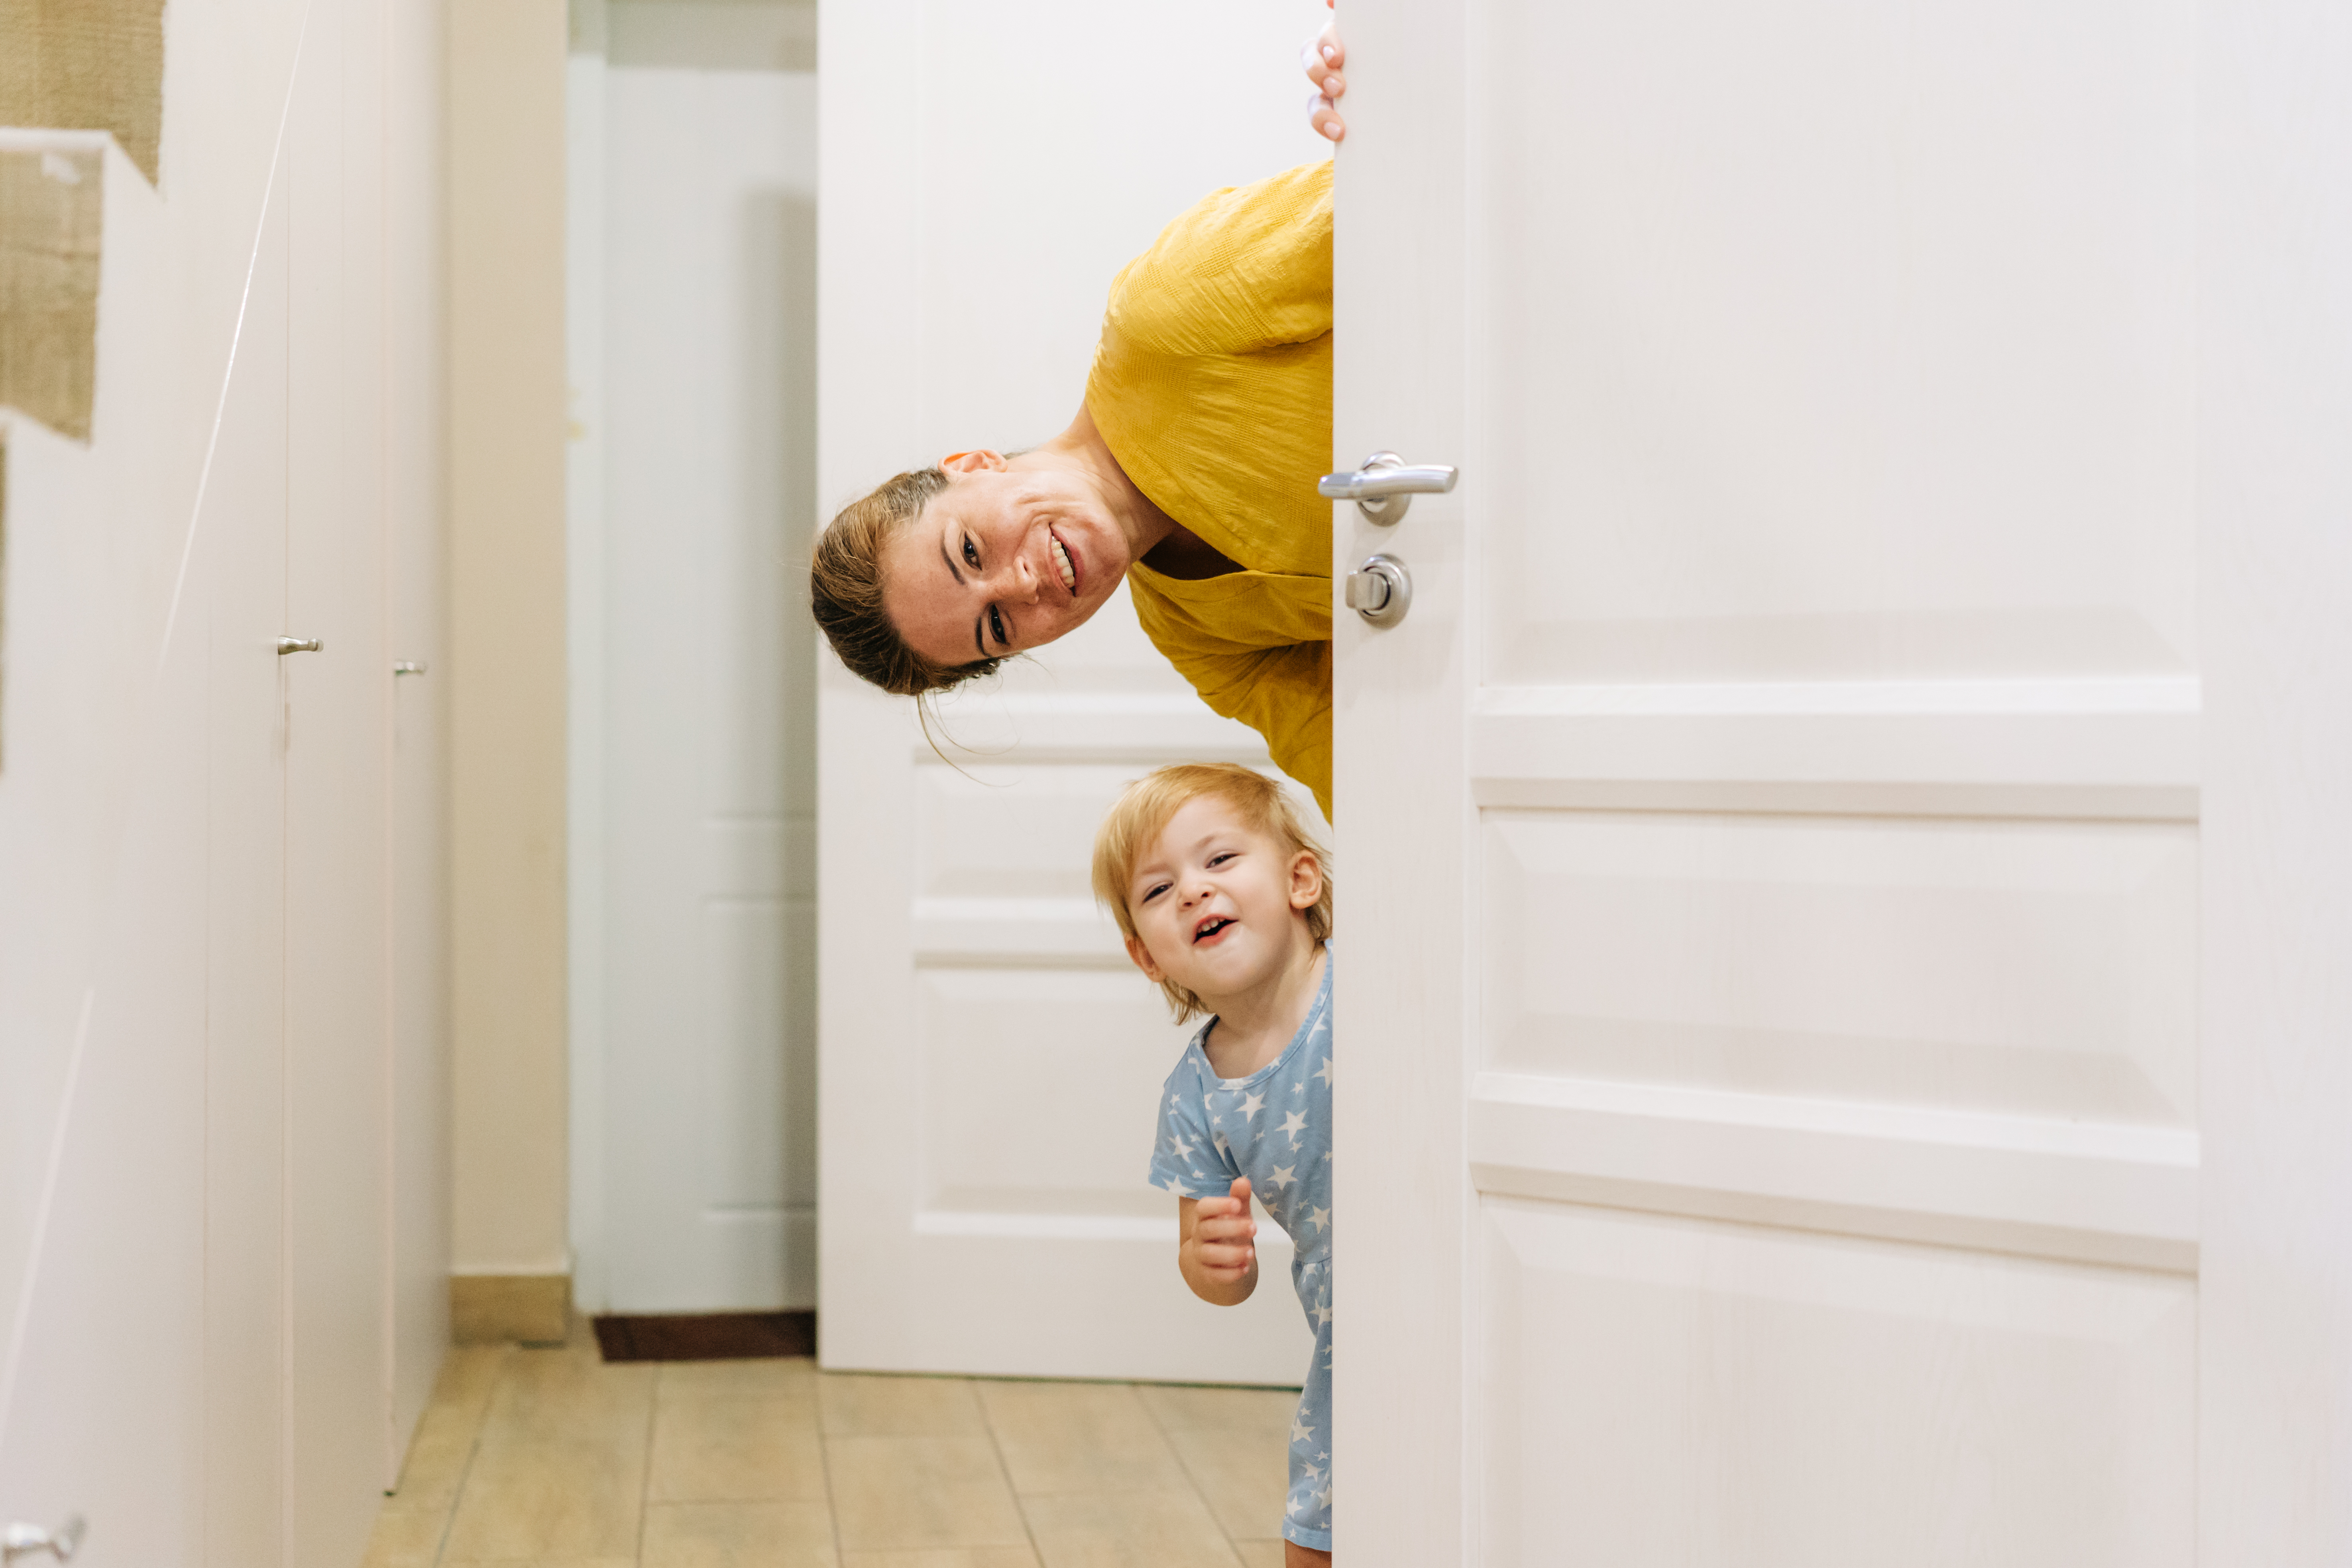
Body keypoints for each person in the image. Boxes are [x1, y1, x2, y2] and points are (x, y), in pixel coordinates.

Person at [810, 25, 1353, 820]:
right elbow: (1379, 776)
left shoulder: (1165, 316)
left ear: (972, 463)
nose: (1022, 584)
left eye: (969, 550)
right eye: (995, 625)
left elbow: (1416, 213)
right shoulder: (1197, 636)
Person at [1091, 763, 1335, 1566]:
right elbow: (1215, 1277)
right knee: (1319, 1532)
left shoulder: (1374, 986)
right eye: (1158, 891)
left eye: (1220, 861)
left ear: (1301, 877)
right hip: (1352, 1340)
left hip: (1471, 1287)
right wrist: (1213, 1259)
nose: (1194, 891)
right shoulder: (1196, 1094)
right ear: (1145, 956)